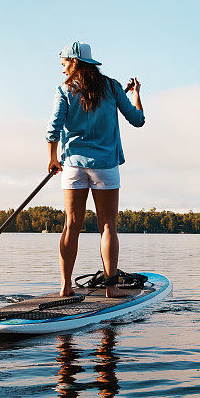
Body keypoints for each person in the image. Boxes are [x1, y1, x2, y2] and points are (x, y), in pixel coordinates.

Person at [46, 41, 145, 298]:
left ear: (75, 62)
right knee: (108, 226)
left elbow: (53, 128)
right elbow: (138, 120)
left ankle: (65, 286)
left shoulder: (64, 90)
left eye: (64, 63)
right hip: (105, 166)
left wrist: (53, 159)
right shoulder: (112, 87)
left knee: (71, 226)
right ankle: (111, 287)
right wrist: (134, 95)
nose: (63, 69)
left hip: (73, 166)